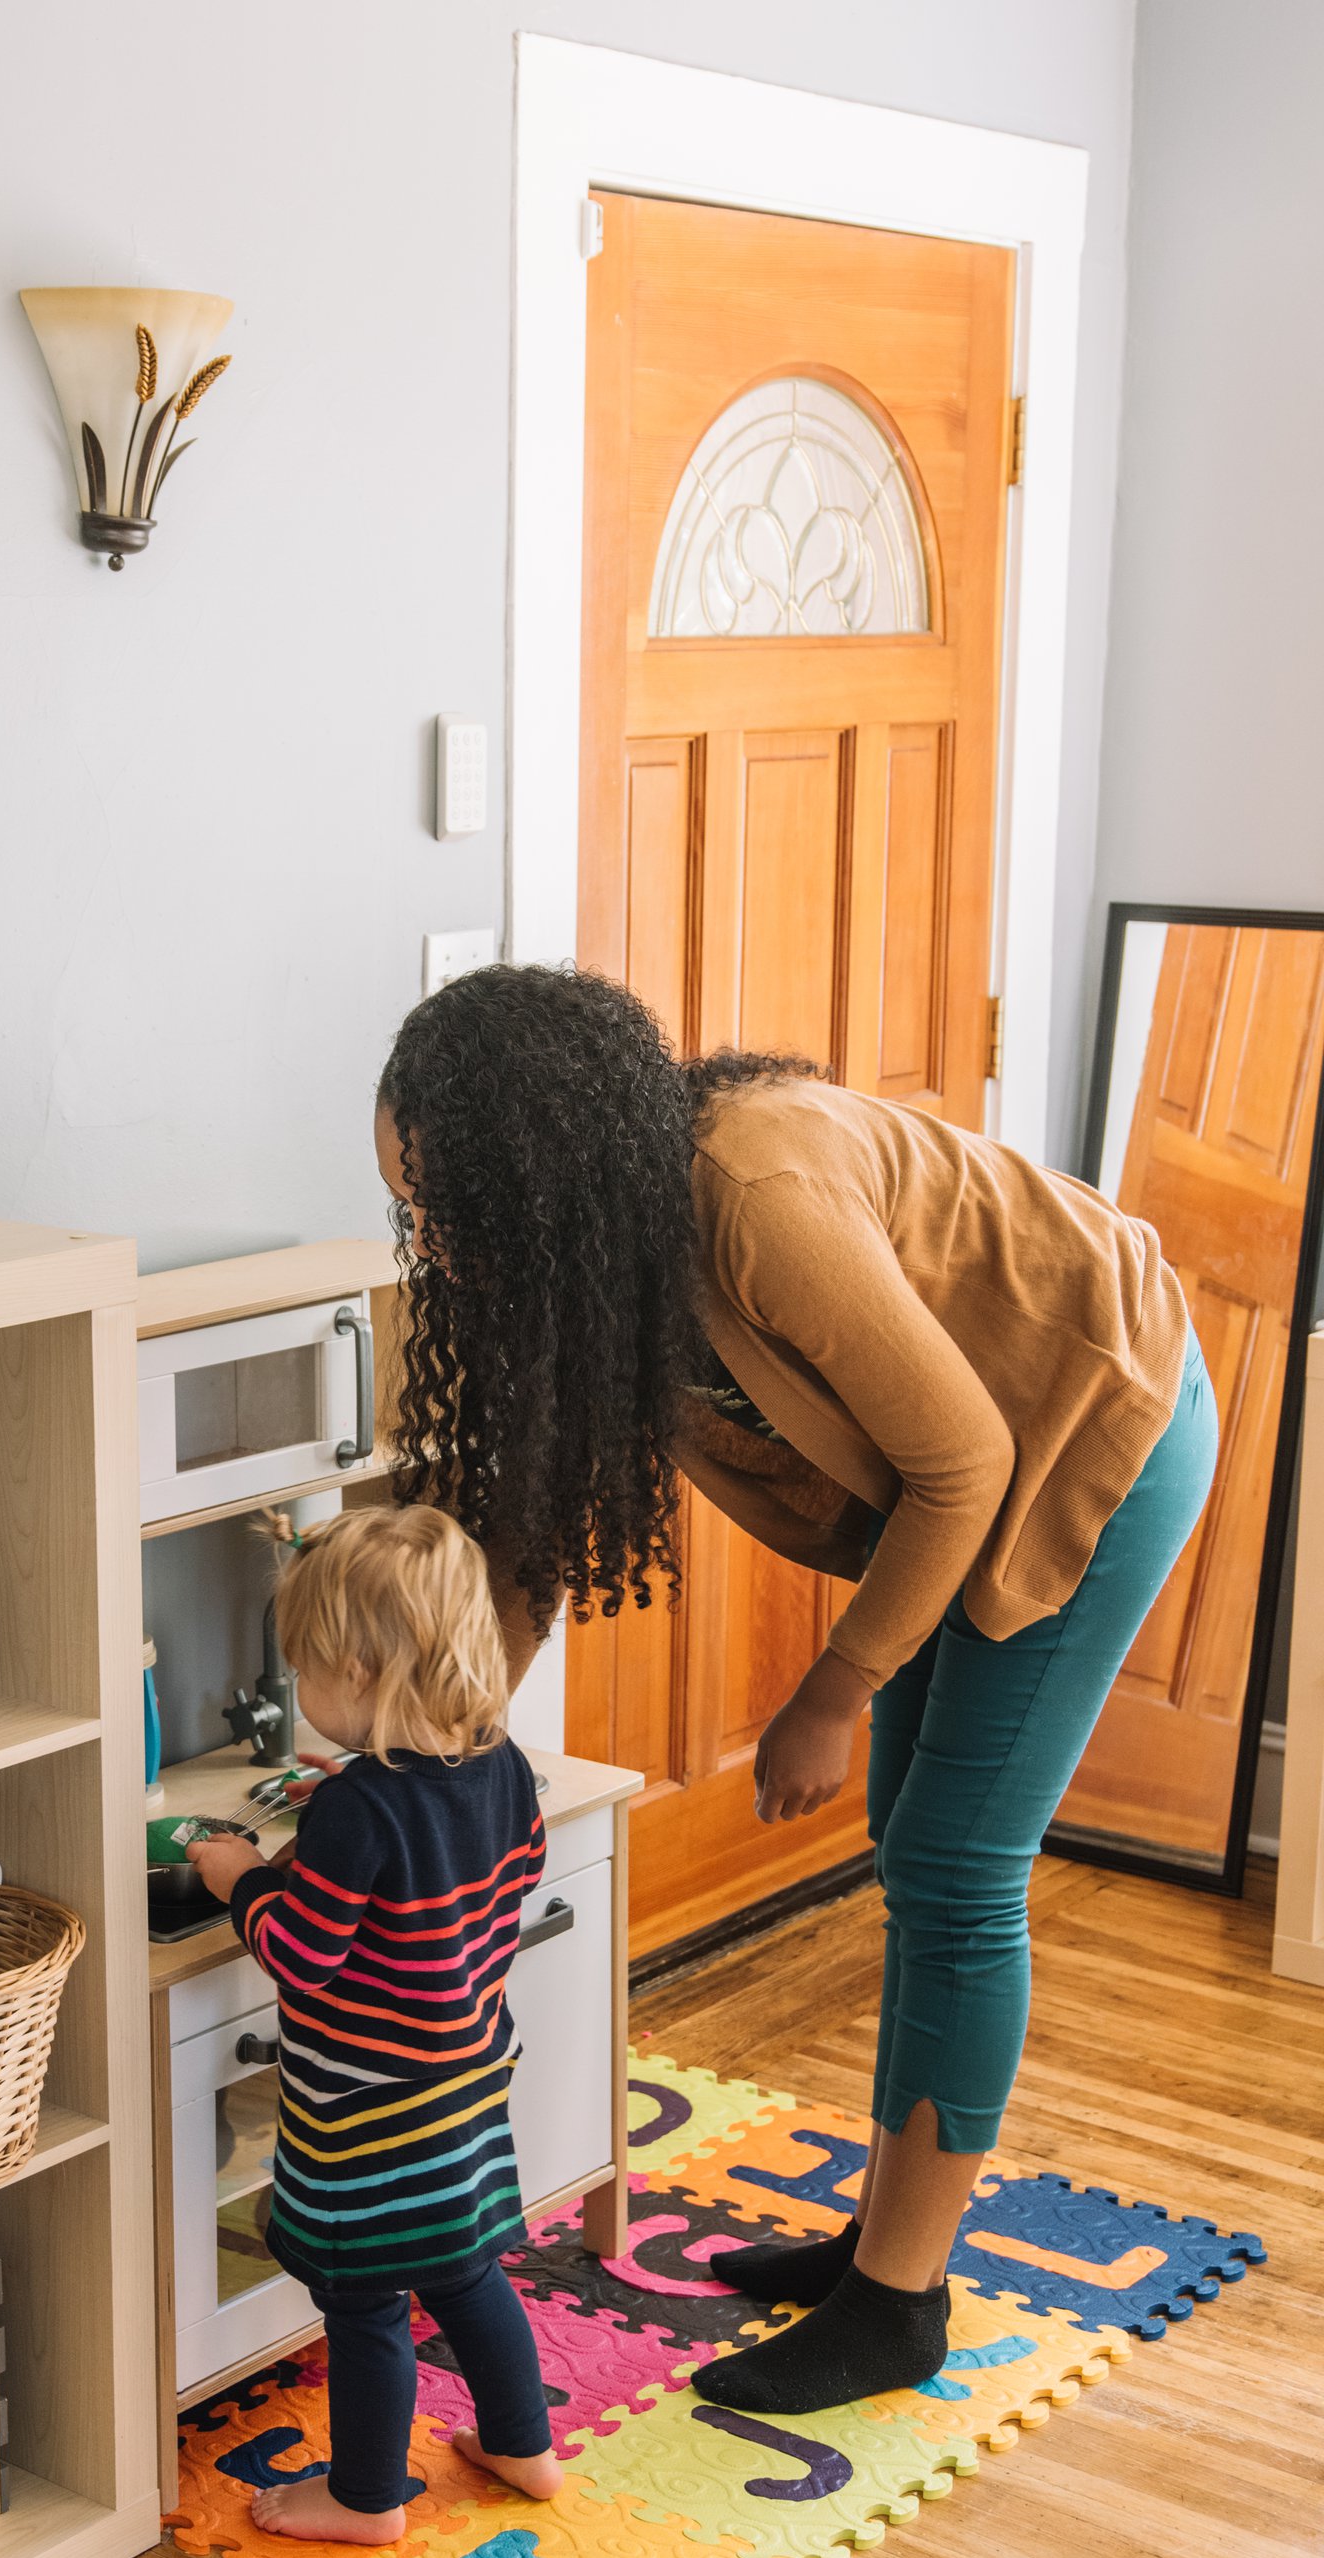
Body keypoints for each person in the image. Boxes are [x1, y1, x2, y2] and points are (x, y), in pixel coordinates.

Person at [373, 964, 1217, 2416]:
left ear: (546, 1176)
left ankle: (899, 2306)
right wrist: (441, 1747)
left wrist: (835, 1684)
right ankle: (890, 2235)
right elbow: (531, 1531)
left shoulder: (752, 1201)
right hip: (952, 1479)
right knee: (915, 1842)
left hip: (1090, 1429)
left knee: (958, 1863)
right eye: (413, 1207)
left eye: (453, 1204)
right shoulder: (579, 1268)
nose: (437, 1245)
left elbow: (967, 1465)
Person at [188, 1503, 562, 2546]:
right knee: (465, 2268)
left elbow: (300, 1953)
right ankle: (521, 2444)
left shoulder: (359, 1808)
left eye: (306, 1668)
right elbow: (512, 1877)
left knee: (365, 2306)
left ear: (356, 1670)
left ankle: (361, 2499)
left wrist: (243, 1875)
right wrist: (344, 1815)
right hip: (466, 2080)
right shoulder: (500, 1764)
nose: (302, 1690)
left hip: (366, 2112)